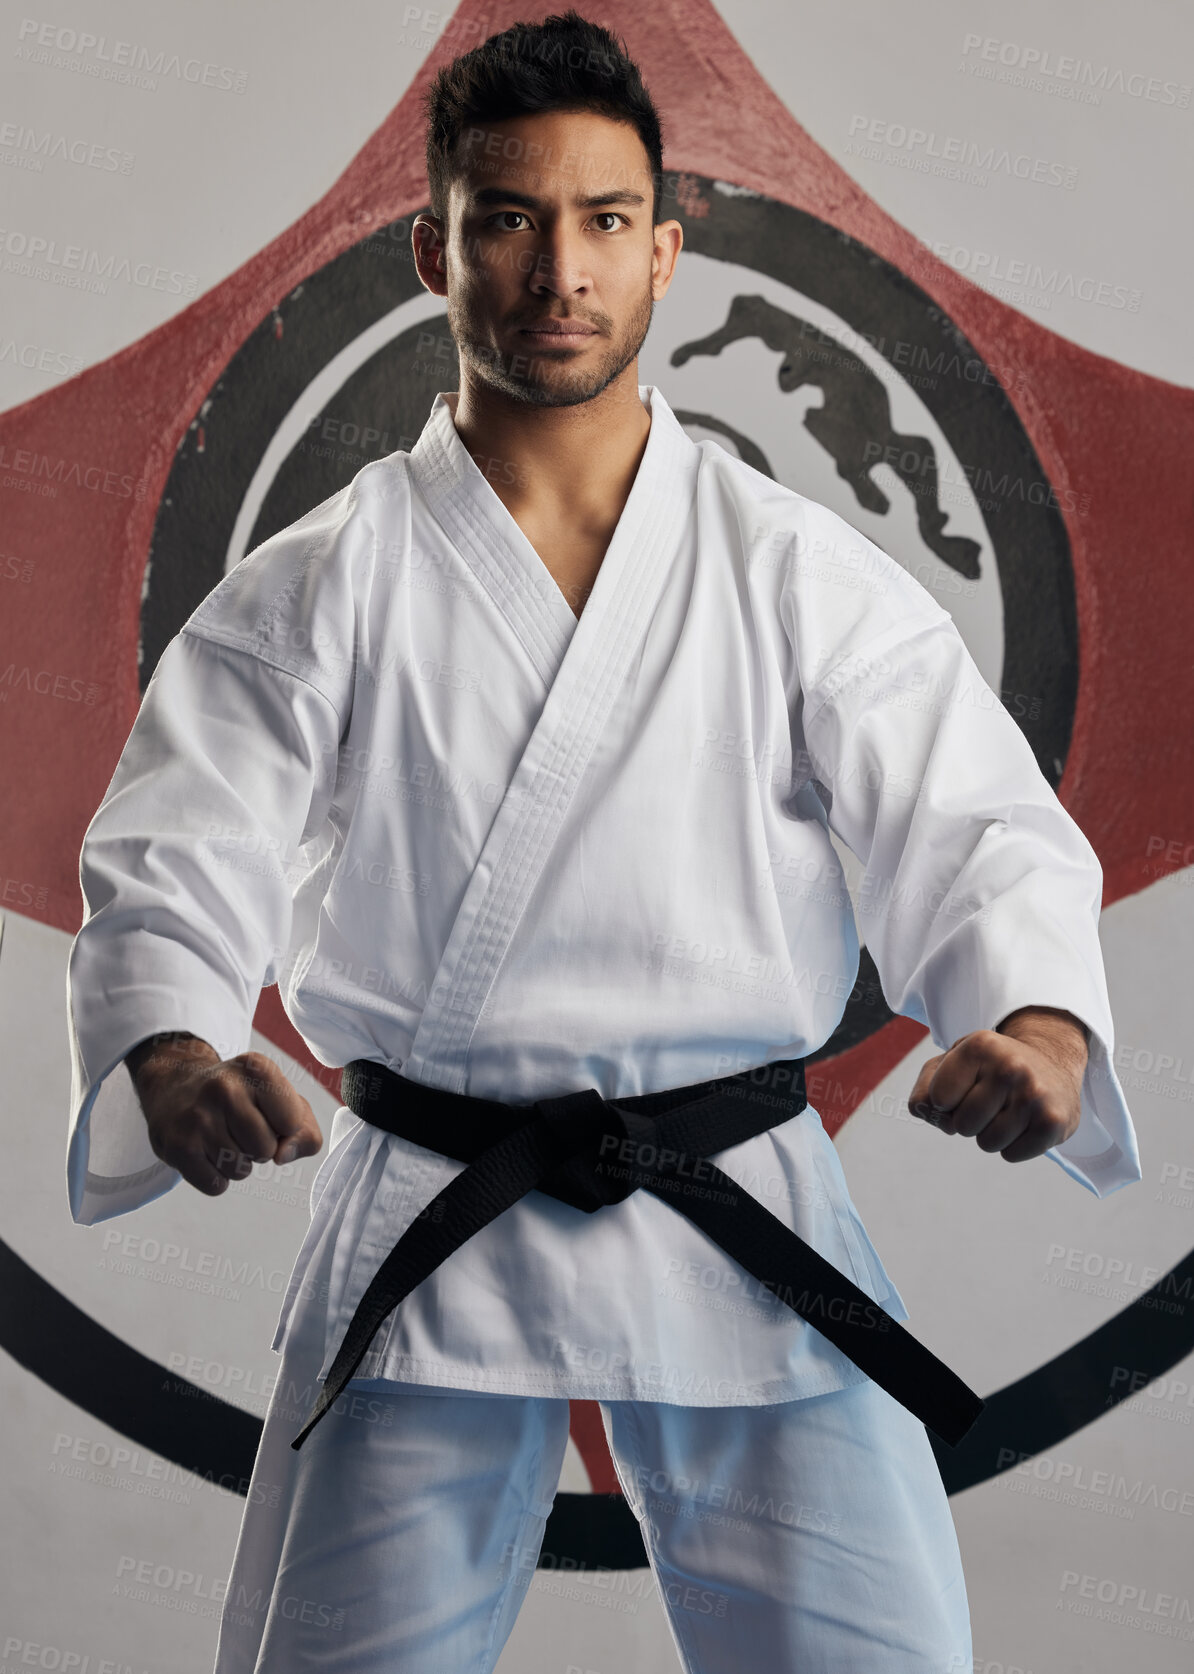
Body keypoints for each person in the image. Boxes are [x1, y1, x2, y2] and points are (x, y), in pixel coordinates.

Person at [65, 11, 1140, 1671]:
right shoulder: (324, 581)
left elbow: (976, 817)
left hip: (738, 1203)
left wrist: (1041, 1023)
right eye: (506, 217)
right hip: (430, 1208)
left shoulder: (792, 569)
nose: (555, 268)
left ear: (664, 255)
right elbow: (176, 850)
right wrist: (174, 1051)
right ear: (434, 248)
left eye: (603, 221)